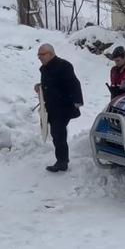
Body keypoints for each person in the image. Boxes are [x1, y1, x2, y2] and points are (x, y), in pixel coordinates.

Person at [34, 44, 84, 172]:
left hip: (63, 106)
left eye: (42, 54)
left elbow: (74, 83)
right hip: (51, 106)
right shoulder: (45, 68)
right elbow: (51, 83)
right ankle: (62, 160)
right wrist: (40, 86)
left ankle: (62, 162)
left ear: (50, 53)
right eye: (38, 55)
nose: (39, 57)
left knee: (58, 133)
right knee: (56, 134)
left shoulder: (64, 65)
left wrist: (78, 101)